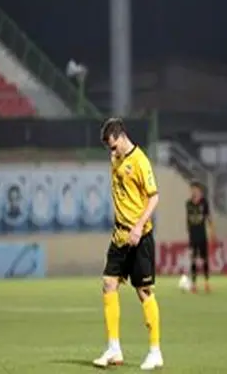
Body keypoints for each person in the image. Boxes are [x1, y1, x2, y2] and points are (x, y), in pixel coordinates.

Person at [93, 118, 163, 370]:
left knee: (143, 291)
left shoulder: (140, 161)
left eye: (113, 146)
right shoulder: (116, 158)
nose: (112, 152)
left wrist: (138, 226)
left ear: (122, 137)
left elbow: (154, 198)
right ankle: (114, 348)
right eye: (109, 148)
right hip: (119, 236)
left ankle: (155, 351)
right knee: (108, 284)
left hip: (139, 236)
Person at [186, 180, 214, 293]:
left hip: (202, 235)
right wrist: (188, 231)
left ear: (199, 190)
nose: (193, 191)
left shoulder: (204, 203)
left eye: (195, 189)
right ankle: (194, 284)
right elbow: (188, 219)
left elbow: (209, 218)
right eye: (192, 189)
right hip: (193, 236)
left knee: (204, 259)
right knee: (193, 260)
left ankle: (207, 283)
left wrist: (212, 231)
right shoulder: (188, 203)